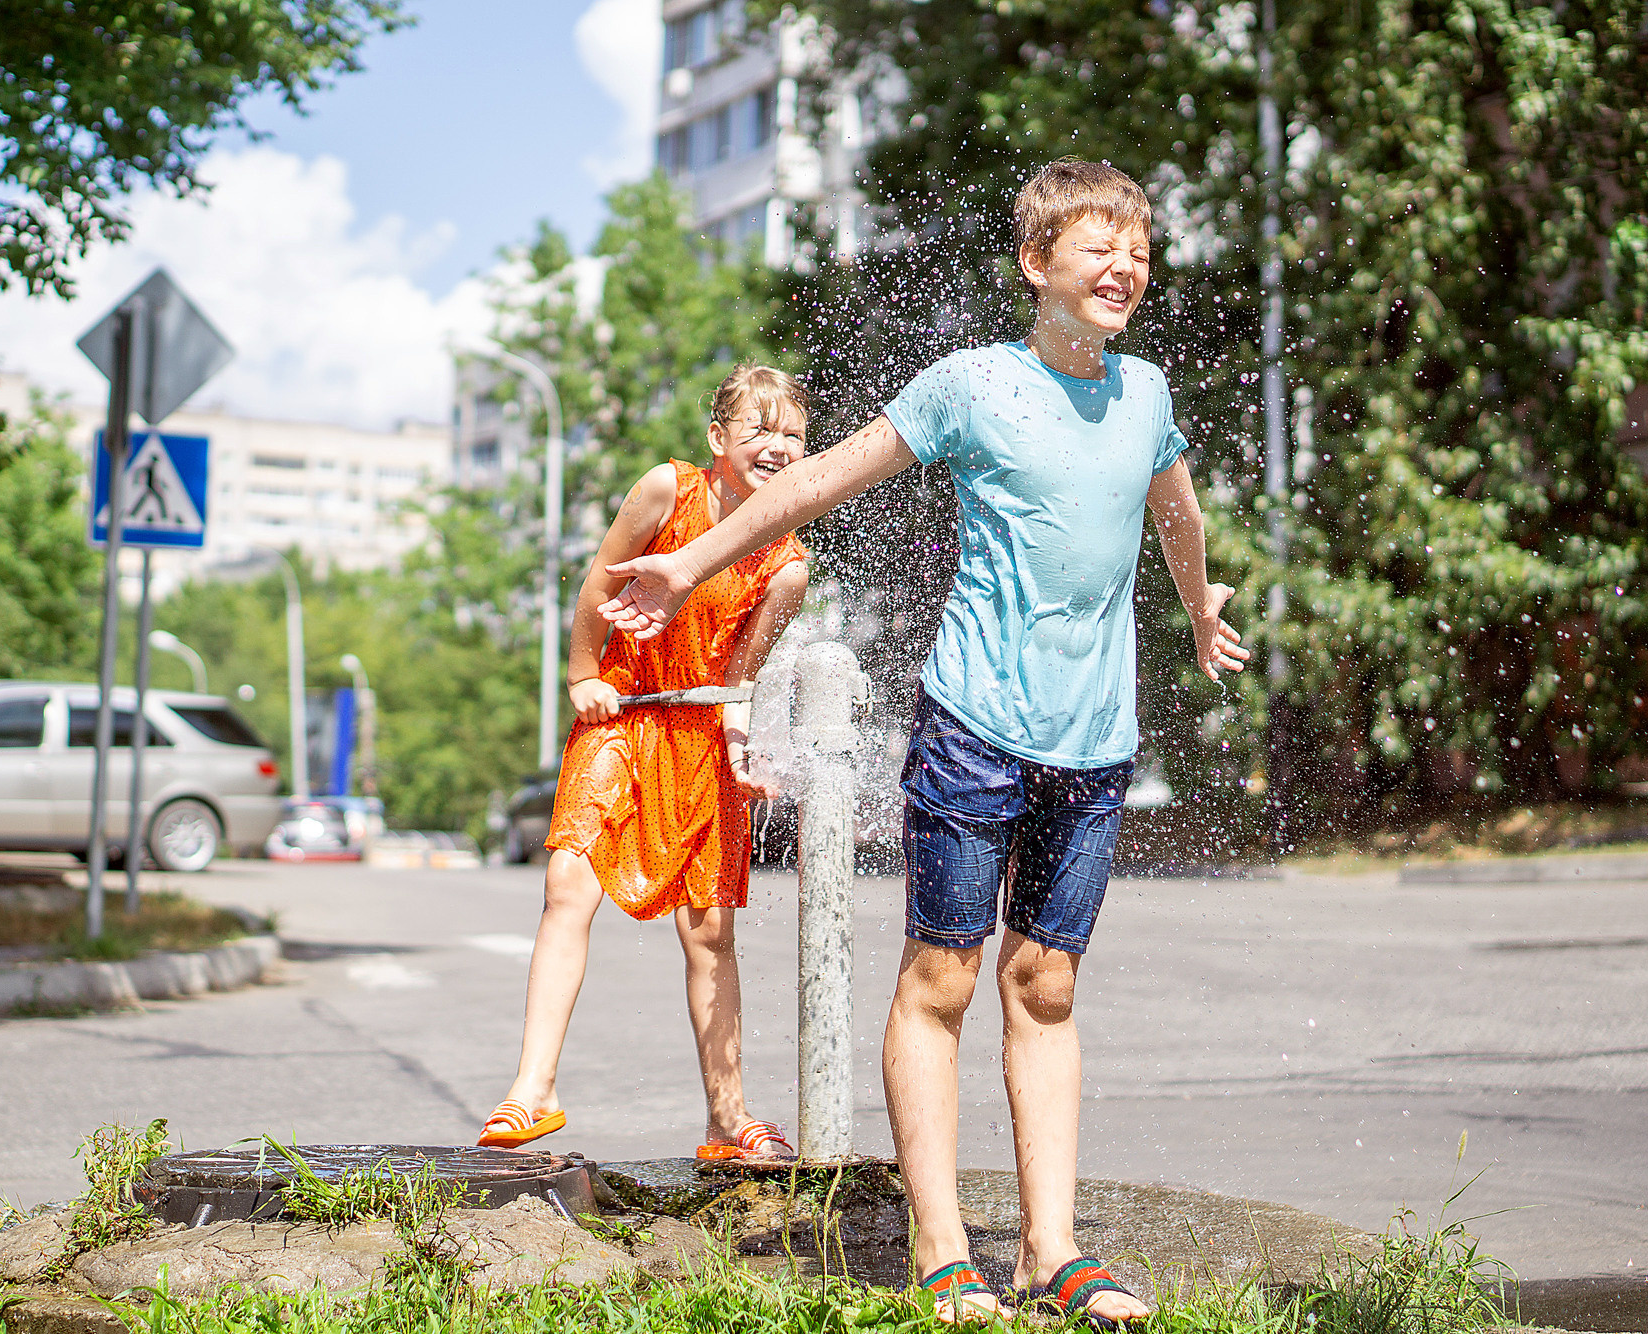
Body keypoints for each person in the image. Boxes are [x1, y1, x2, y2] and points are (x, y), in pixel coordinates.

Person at [598, 160, 1250, 1325]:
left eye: (1138, 250)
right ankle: (941, 1249)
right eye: (1096, 246)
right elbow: (815, 486)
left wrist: (1198, 607)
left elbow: (1175, 510)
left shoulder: (1143, 393)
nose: (1124, 267)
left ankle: (1051, 1250)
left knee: (1044, 981)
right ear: (1034, 264)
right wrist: (688, 562)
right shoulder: (968, 384)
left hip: (1092, 738)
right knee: (942, 976)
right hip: (973, 726)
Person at [477, 365, 812, 1164]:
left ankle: (728, 1119)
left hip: (695, 736)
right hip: (623, 712)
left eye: (795, 433)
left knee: (710, 934)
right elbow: (600, 577)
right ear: (717, 439)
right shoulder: (667, 489)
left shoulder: (786, 561)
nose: (778, 446)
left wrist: (743, 743)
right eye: (759, 429)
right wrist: (582, 672)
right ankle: (533, 1089)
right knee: (567, 889)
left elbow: (738, 678)